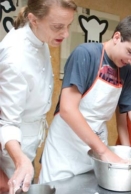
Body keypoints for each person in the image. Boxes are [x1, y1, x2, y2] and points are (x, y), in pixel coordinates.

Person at [39, 14, 131, 183]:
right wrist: (104, 152)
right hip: (66, 147)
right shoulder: (86, 54)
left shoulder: (126, 70)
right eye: (130, 52)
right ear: (116, 37)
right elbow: (67, 109)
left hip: (97, 144)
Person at [0, 0, 76, 193]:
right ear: (33, 19)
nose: (65, 34)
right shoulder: (15, 55)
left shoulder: (37, 37)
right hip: (12, 149)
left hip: (28, 142)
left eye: (69, 26)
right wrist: (20, 160)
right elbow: (7, 123)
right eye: (58, 27)